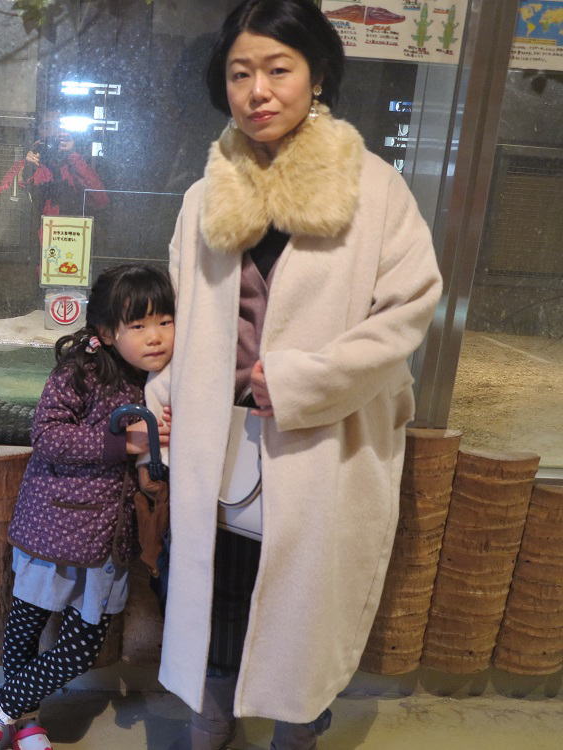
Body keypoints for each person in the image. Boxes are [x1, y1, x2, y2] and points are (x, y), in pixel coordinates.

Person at [144, 1, 444, 749]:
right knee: (220, 589)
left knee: (304, 601)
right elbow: (185, 321)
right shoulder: (204, 197)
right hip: (220, 442)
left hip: (323, 444)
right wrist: (163, 401)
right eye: (240, 73)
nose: (258, 91)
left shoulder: (375, 191)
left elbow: (408, 311)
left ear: (317, 76)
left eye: (278, 69)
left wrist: (305, 382)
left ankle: (297, 729)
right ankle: (213, 716)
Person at [0, 264, 175, 750]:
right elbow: (47, 435)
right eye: (138, 325)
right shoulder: (80, 373)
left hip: (108, 542)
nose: (156, 336)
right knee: (25, 629)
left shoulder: (162, 381)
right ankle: (23, 721)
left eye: (165, 321)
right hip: (54, 527)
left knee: (81, 648)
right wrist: (122, 444)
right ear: (106, 331)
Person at [0, 111, 109, 218]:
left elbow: (101, 201)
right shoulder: (26, 164)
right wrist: (26, 172)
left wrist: (73, 156)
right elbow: (1, 202)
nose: (53, 132)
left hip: (69, 230)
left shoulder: (75, 166)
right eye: (47, 127)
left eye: (58, 126)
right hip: (33, 231)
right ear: (38, 133)